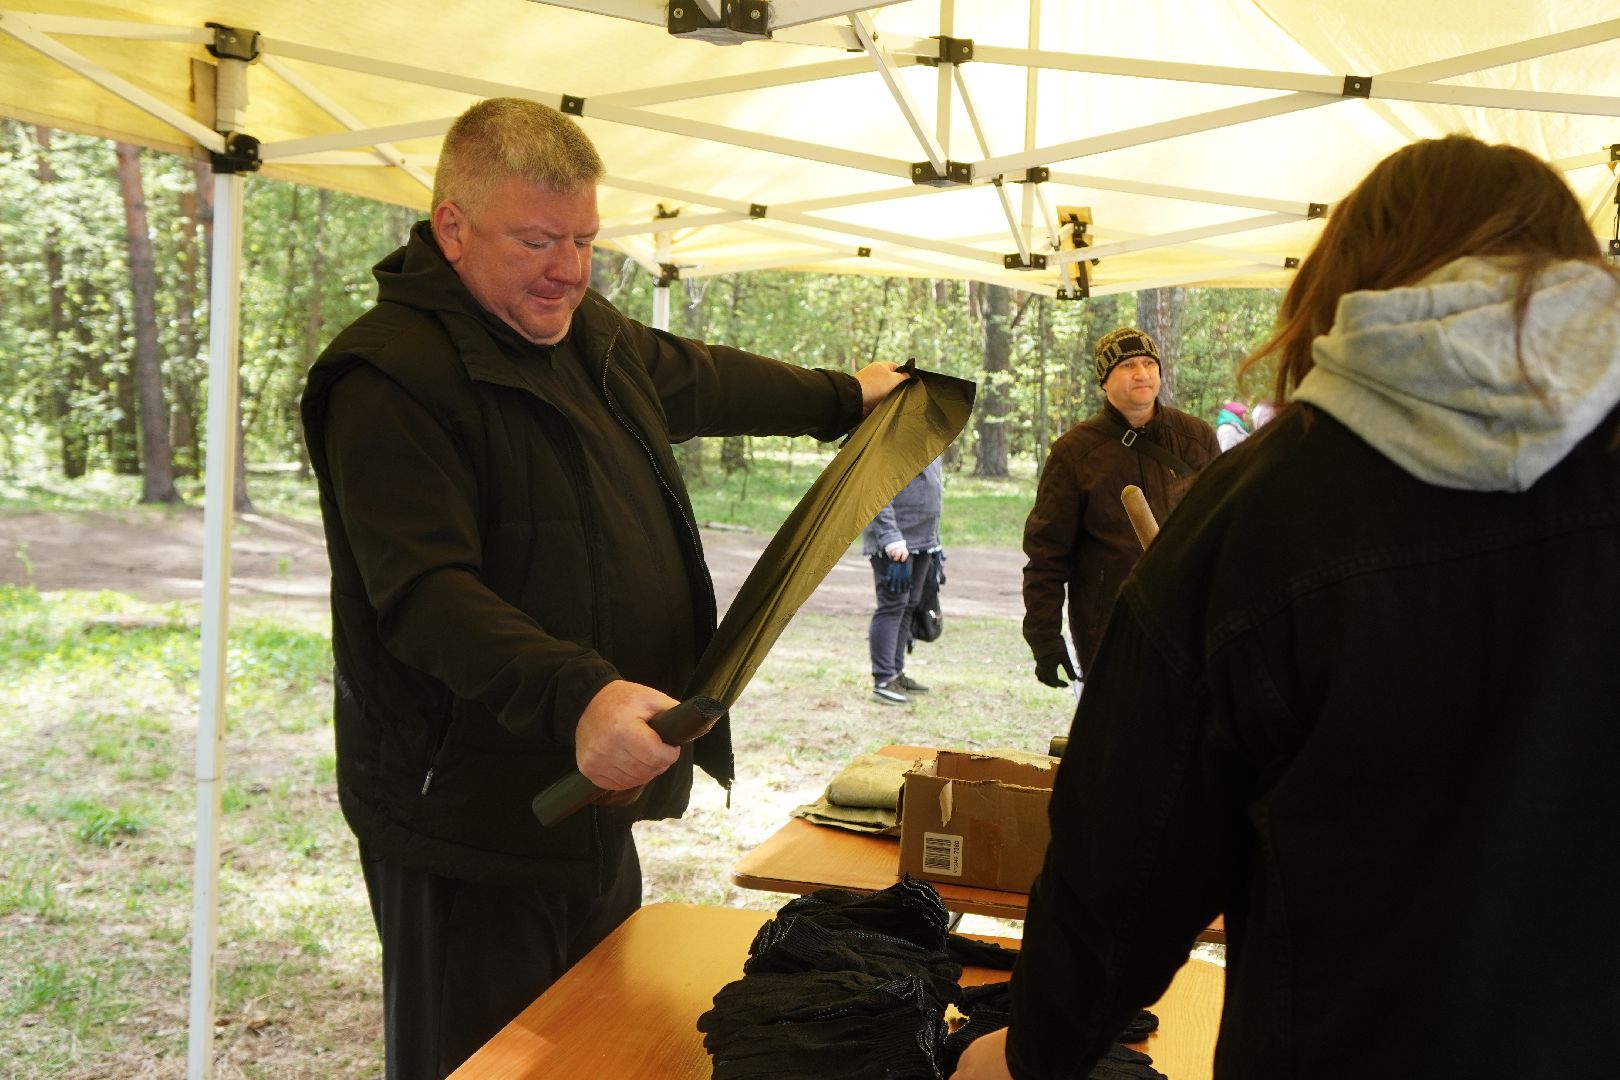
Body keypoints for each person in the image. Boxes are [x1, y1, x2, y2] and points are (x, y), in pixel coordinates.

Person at [953, 134, 1620, 1078]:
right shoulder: (1202, 496)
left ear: (1350, 276)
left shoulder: (1256, 512)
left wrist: (1036, 1049)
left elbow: (1120, 870)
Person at [299, 98, 909, 1079]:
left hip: (596, 794)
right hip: (469, 823)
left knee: (597, 1049)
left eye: (584, 240)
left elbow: (705, 379)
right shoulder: (389, 378)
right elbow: (424, 596)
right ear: (452, 227)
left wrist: (844, 396)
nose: (569, 269)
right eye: (537, 241)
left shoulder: (590, 338)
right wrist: (580, 694)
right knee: (486, 1064)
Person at [1020, 327, 1218, 690]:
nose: (1142, 374)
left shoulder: (1196, 437)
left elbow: (1222, 531)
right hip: (1110, 623)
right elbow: (1047, 553)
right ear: (1105, 380)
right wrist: (1044, 638)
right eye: (1128, 366)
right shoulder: (1074, 452)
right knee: (1120, 718)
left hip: (1189, 617)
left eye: (1148, 363)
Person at [862, 455, 944, 704]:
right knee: (892, 605)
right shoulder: (890, 440)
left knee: (909, 604)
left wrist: (934, 540)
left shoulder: (931, 440)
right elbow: (875, 488)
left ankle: (896, 673)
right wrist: (890, 537)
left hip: (923, 539)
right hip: (895, 540)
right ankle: (883, 680)